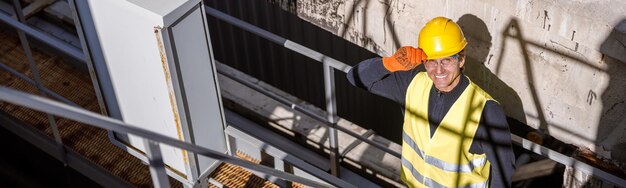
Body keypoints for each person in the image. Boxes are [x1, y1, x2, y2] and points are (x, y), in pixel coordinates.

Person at [347, 17, 516, 187]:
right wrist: (389, 64)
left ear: (461, 59)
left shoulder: (486, 110)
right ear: (424, 61)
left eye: (446, 60)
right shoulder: (412, 84)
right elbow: (355, 77)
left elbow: (503, 175)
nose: (439, 70)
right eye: (432, 61)